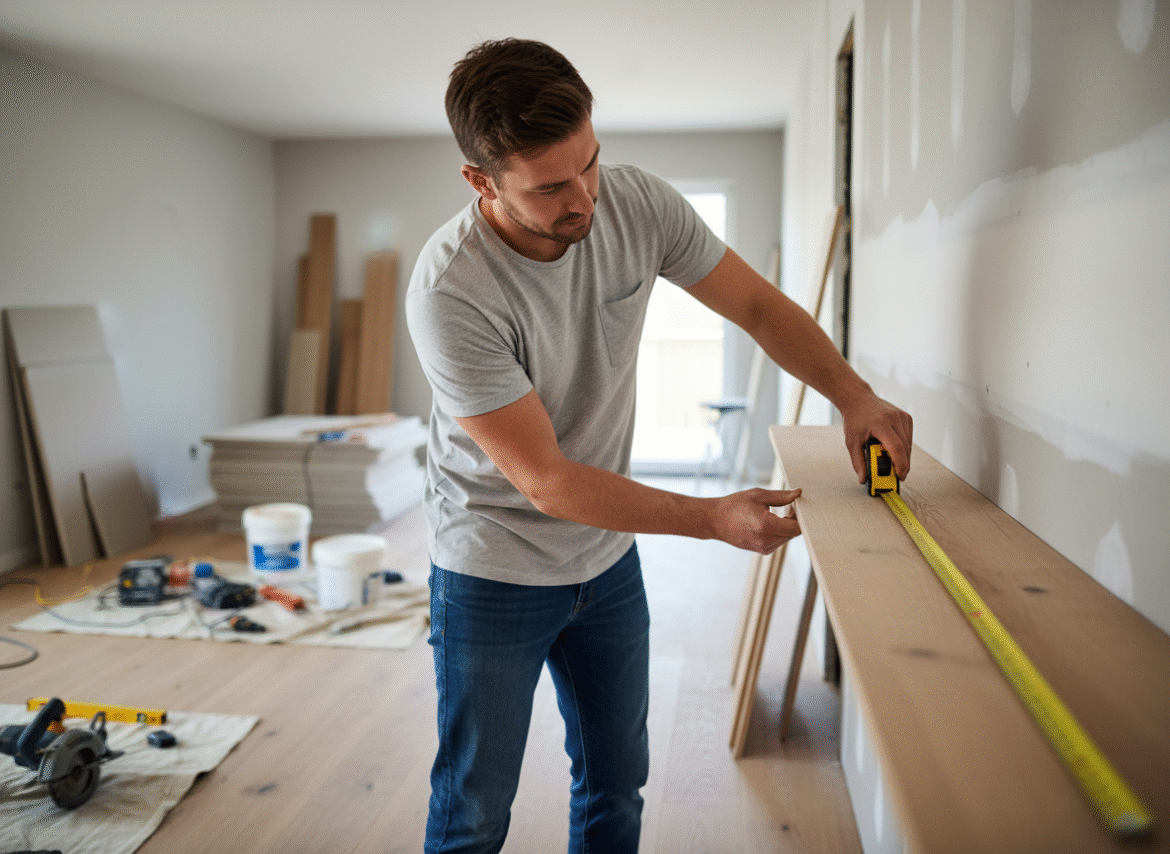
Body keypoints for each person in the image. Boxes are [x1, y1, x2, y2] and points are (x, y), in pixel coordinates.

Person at [405, 38, 912, 854]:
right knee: (474, 808)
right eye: (551, 187)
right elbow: (547, 482)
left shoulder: (635, 203)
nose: (584, 199)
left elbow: (755, 303)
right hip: (493, 567)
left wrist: (854, 397)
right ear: (481, 181)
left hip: (605, 563)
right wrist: (712, 518)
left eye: (590, 164)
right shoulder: (450, 291)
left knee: (614, 781)